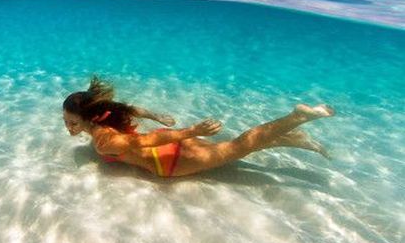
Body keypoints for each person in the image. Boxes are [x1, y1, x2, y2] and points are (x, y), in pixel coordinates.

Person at [62, 76, 333, 177]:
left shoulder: (103, 141)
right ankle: (294, 138)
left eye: (72, 123)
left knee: (237, 147)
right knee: (231, 149)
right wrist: (157, 117)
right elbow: (130, 110)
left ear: (89, 117)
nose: (69, 128)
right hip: (168, 144)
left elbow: (142, 144)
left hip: (169, 160)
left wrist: (192, 131)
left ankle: (297, 117)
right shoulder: (108, 117)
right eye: (65, 122)